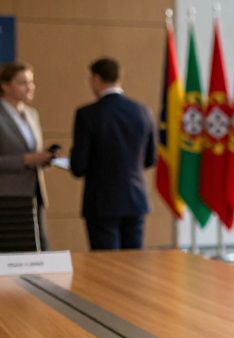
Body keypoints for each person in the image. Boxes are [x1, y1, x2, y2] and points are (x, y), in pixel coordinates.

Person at [70, 58, 157, 250]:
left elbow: (79, 165)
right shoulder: (142, 111)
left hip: (101, 201)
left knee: (106, 266)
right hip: (135, 199)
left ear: (95, 79)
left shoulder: (88, 114)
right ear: (119, 78)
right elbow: (150, 158)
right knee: (133, 264)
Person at [0, 61, 52, 251]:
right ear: (5, 85)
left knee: (39, 248)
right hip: (7, 196)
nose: (30, 87)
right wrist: (24, 160)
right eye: (22, 82)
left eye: (31, 82)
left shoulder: (31, 114)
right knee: (12, 251)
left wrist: (44, 158)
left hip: (34, 193)